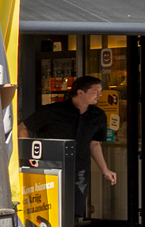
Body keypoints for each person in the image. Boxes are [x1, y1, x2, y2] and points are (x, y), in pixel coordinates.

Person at [22, 76, 115, 215]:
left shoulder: (98, 115)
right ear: (80, 92)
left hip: (79, 167)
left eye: (100, 91)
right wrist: (29, 155)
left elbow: (94, 144)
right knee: (49, 205)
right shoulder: (52, 110)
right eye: (95, 91)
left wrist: (105, 169)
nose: (100, 95)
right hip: (50, 165)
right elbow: (23, 127)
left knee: (75, 206)